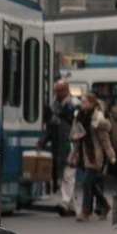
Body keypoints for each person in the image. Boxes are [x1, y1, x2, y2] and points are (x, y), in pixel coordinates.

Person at [71, 91, 115, 222]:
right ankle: (106, 205)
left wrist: (111, 156)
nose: (82, 104)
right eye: (82, 101)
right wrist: (74, 137)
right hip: (84, 154)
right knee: (92, 184)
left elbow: (105, 140)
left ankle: (85, 212)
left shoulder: (97, 118)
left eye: (84, 102)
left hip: (95, 155)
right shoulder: (80, 116)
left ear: (91, 103)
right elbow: (74, 134)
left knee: (85, 182)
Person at [38, 79, 78, 216]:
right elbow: (50, 128)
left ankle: (65, 203)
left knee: (68, 174)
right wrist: (42, 141)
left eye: (59, 90)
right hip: (58, 145)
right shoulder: (53, 107)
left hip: (72, 145)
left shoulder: (75, 105)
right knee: (63, 175)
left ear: (66, 90)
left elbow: (80, 128)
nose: (57, 93)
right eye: (56, 90)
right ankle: (71, 206)